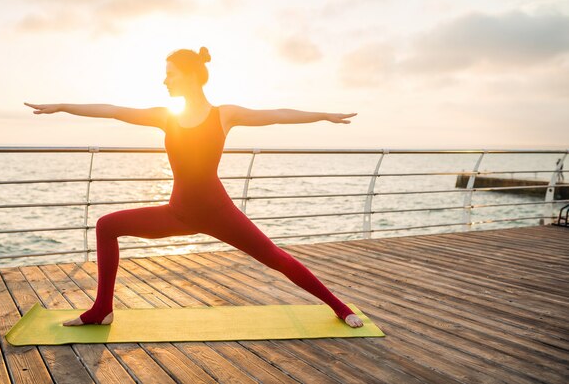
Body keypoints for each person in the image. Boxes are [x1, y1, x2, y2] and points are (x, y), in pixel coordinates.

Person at [24, 47, 362, 328]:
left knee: (275, 257)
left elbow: (276, 114)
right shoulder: (165, 116)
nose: (164, 80)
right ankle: (102, 310)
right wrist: (62, 106)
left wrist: (323, 115)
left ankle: (339, 307)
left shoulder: (223, 114)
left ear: (187, 75)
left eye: (169, 73)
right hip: (178, 213)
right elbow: (113, 111)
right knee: (107, 225)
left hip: (219, 213)